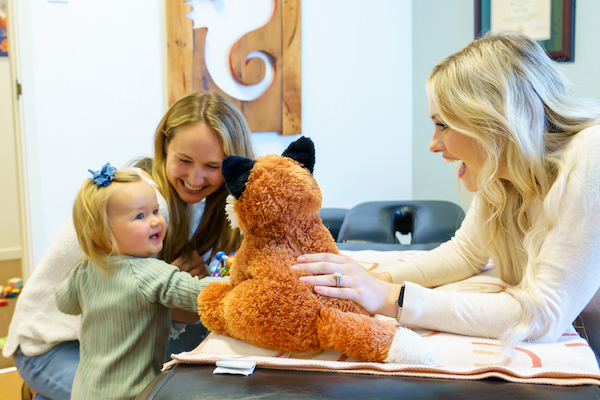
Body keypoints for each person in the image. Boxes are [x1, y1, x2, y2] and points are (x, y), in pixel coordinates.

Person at [294, 32, 600, 346]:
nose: (433, 144)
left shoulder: (592, 154)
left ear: (496, 122)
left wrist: (388, 298)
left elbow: (541, 316)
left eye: (443, 125)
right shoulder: (506, 177)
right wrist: (374, 282)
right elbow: (465, 255)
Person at [3, 91, 255, 400]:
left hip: (104, 344)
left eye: (211, 166)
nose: (195, 177)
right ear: (164, 146)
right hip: (49, 347)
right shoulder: (151, 207)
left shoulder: (195, 205)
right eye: (184, 160)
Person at [55, 165, 222, 400]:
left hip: (84, 392)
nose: (156, 221)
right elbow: (201, 294)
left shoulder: (84, 271)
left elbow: (64, 302)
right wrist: (239, 279)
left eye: (155, 210)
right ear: (101, 233)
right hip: (134, 394)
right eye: (140, 216)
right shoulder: (150, 272)